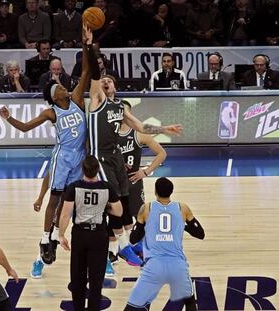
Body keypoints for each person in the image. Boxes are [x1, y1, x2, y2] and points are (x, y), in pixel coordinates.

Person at [0, 22, 92, 279]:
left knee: (73, 206)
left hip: (81, 160)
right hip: (63, 158)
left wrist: (86, 42)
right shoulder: (51, 111)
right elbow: (27, 128)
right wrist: (8, 119)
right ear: (55, 95)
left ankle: (72, 244)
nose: (63, 85)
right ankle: (44, 239)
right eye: (59, 86)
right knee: (55, 201)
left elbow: (85, 70)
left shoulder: (75, 100)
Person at [87, 27, 182, 275]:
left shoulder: (120, 107)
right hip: (100, 159)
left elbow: (142, 126)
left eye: (109, 81)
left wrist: (165, 128)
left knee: (123, 207)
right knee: (115, 206)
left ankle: (125, 246)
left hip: (117, 161)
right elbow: (95, 74)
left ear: (115, 88)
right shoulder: (97, 101)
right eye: (103, 81)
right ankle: (122, 247)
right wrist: (90, 46)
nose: (105, 82)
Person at [124, 177, 205, 311]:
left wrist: (145, 226)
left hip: (153, 266)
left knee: (134, 306)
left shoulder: (146, 208)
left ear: (155, 192)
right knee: (190, 302)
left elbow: (133, 239)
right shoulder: (183, 208)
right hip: (178, 266)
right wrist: (182, 226)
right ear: (171, 192)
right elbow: (200, 234)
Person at [59, 155, 123, 311]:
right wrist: (103, 208)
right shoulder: (107, 187)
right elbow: (118, 211)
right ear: (98, 170)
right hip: (99, 235)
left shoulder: (74, 187)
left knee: (77, 277)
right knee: (96, 278)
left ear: (83, 169)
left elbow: (65, 214)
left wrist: (61, 235)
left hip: (80, 234)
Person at [112, 103, 167, 263]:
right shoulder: (109, 133)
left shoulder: (138, 133)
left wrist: (146, 171)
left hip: (133, 182)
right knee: (114, 218)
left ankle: (143, 248)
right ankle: (113, 252)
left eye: (126, 111)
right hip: (114, 182)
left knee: (139, 217)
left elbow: (162, 153)